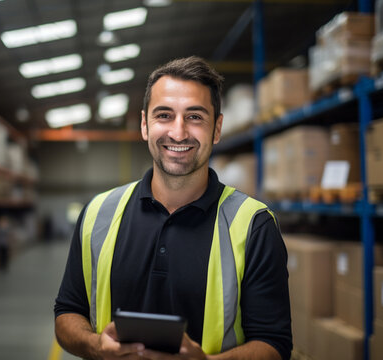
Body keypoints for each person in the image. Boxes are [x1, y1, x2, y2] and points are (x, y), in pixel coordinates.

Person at [54, 56, 291, 360]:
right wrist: (95, 345)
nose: (178, 133)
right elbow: (67, 312)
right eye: (164, 115)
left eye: (195, 117)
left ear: (217, 129)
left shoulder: (254, 225)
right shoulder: (98, 214)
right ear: (144, 124)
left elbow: (274, 344)